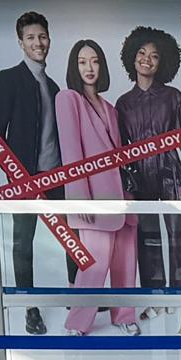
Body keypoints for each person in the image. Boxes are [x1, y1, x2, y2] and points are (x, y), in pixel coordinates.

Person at [0, 11, 65, 336]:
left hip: (58, 175)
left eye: (42, 36)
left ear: (49, 39)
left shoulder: (56, 85)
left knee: (71, 235)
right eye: (31, 38)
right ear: (21, 43)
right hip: (24, 178)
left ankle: (81, 300)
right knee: (23, 243)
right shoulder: (8, 78)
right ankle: (29, 308)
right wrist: (14, 174)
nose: (38, 43)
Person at [114, 25, 181, 334]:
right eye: (142, 53)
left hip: (172, 175)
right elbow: (121, 147)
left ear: (164, 62)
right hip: (141, 178)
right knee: (146, 239)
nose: (147, 59)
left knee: (178, 238)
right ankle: (156, 297)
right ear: (132, 58)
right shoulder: (123, 103)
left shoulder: (174, 97)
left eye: (155, 55)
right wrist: (127, 182)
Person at [56, 38, 139, 336]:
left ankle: (124, 316)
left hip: (124, 200)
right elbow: (71, 152)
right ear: (74, 67)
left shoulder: (110, 107)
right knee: (93, 266)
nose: (89, 67)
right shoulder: (68, 99)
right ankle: (77, 322)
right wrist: (80, 201)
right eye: (82, 61)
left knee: (126, 264)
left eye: (94, 61)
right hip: (93, 199)